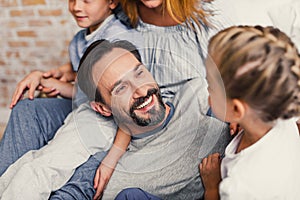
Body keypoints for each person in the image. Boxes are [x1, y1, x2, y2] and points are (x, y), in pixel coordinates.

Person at [1, 0, 226, 199]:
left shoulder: (205, 24)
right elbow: (96, 65)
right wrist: (51, 76)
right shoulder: (124, 17)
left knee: (60, 167)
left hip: (143, 114)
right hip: (111, 108)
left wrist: (113, 155)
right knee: (29, 110)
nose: (78, 7)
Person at [0, 0, 142, 175]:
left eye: (87, 1)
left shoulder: (117, 40)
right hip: (83, 107)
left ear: (111, 2)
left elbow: (110, 98)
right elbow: (76, 76)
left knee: (43, 161)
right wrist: (43, 77)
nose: (76, 7)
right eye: (72, 0)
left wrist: (58, 86)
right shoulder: (79, 40)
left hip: (107, 118)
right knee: (26, 109)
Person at [76, 39, 231, 199]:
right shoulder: (124, 181)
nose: (142, 91)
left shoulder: (198, 92)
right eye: (121, 88)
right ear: (103, 108)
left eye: (139, 73)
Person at [199, 25, 300, 199]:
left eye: (211, 88)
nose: (208, 94)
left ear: (237, 109)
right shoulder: (282, 114)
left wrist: (213, 187)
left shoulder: (239, 186)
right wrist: (244, 121)